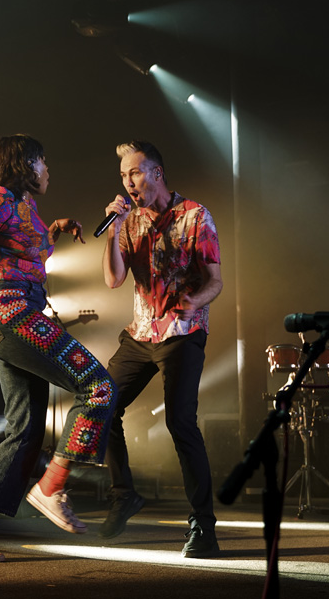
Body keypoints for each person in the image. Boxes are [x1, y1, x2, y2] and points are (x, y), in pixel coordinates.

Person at [0, 134, 116, 563]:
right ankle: (52, 484)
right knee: (98, 386)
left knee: (26, 430)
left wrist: (54, 230)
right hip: (10, 312)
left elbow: (27, 252)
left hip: (21, 309)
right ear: (24, 163)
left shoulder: (25, 206)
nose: (48, 169)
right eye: (42, 161)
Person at [99, 140, 223, 558]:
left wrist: (194, 302)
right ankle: (123, 495)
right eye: (123, 177)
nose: (129, 182)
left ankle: (203, 527)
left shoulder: (196, 216)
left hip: (183, 331)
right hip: (140, 334)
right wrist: (114, 229)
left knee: (180, 423)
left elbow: (214, 281)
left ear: (156, 172)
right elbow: (114, 280)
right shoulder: (129, 222)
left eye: (134, 172)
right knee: (101, 402)